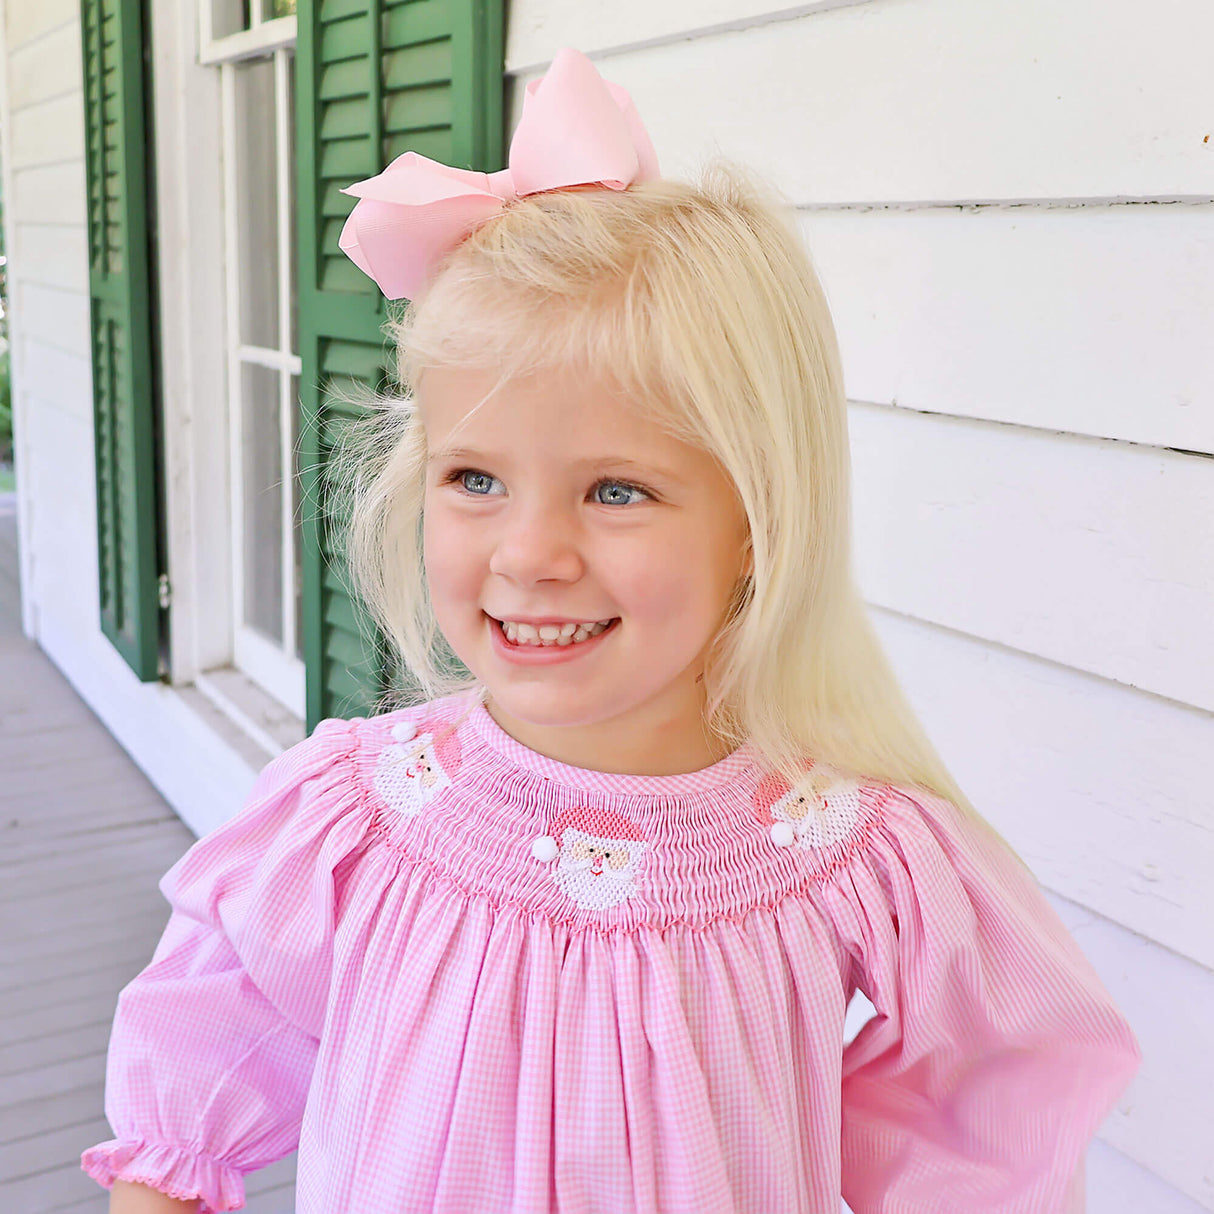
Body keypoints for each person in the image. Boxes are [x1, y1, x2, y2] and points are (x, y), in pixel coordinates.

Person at [83, 47, 1139, 1214]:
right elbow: (193, 1077)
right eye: (473, 476)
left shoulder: (849, 859)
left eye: (616, 490)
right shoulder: (354, 824)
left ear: (756, 520)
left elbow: (996, 1102)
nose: (529, 553)